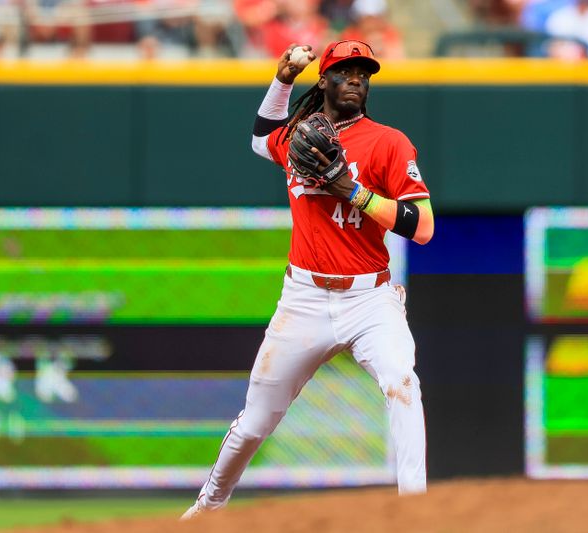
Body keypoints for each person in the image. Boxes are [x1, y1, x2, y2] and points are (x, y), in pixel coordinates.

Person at [181, 39, 434, 520]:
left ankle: (416, 514)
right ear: (325, 79)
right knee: (255, 422)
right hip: (304, 299)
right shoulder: (299, 136)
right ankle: (208, 508)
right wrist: (281, 79)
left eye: (364, 72)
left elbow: (422, 226)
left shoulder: (388, 142)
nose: (356, 79)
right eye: (344, 71)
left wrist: (353, 191)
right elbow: (261, 139)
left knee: (403, 384)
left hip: (370, 299)